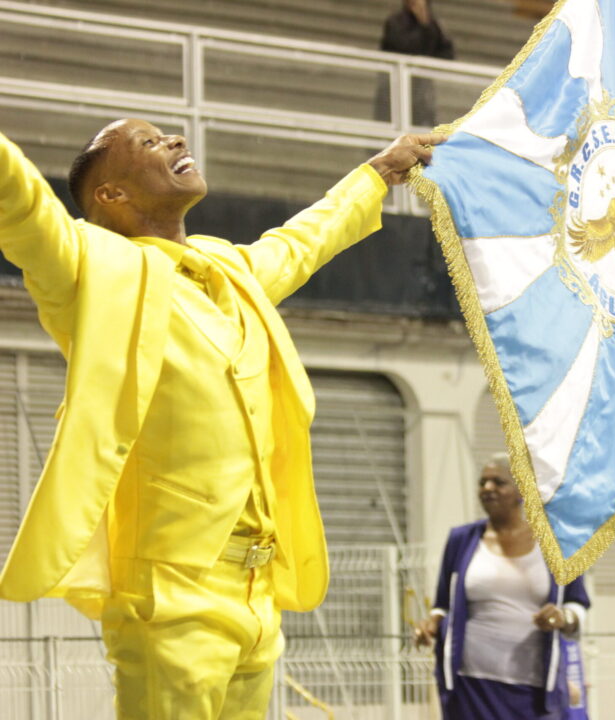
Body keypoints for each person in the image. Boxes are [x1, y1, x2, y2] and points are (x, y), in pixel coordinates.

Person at [0, 119, 442, 718]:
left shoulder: (226, 270)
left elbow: (302, 242)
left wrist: (380, 174)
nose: (177, 140)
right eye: (151, 143)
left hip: (259, 594)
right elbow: (25, 209)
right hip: (170, 595)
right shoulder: (87, 268)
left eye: (170, 135)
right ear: (111, 195)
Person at [415, 453, 591, 719]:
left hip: (534, 688)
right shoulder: (461, 540)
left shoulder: (557, 542)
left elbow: (577, 602)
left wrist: (562, 617)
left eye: (498, 482)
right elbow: (442, 605)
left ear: (522, 489)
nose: (487, 489)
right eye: (482, 482)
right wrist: (431, 622)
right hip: (469, 685)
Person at [375, 0, 455, 128]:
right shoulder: (395, 22)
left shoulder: (434, 25)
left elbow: (446, 55)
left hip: (422, 91)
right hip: (395, 88)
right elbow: (403, 46)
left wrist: (426, 25)